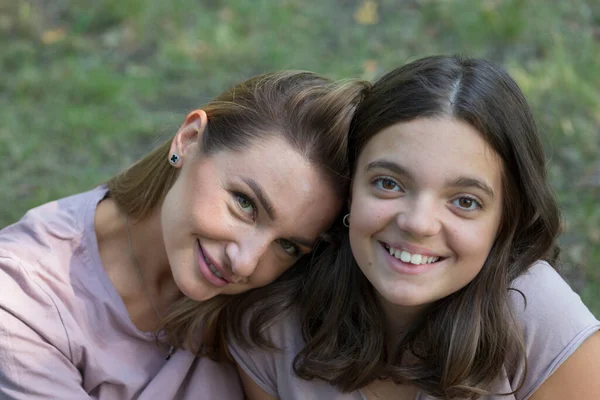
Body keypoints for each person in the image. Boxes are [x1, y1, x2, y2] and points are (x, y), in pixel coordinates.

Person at [227, 56, 600, 399]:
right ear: (350, 189)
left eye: (465, 201)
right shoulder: (272, 323)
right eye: (389, 183)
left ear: (504, 220)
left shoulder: (541, 321)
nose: (418, 224)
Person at [0, 70, 368, 399]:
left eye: (287, 245)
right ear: (189, 140)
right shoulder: (22, 305)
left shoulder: (284, 292)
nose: (245, 262)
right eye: (245, 203)